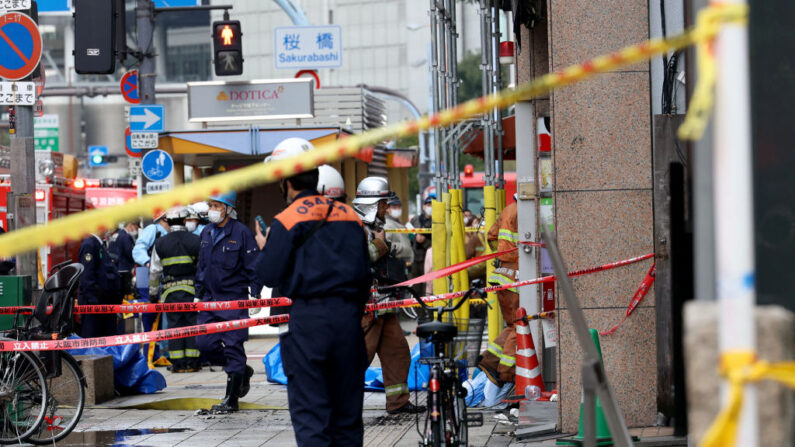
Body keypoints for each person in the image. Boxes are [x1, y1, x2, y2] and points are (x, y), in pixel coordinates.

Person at [255, 138, 371, 446]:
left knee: (312, 419)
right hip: (348, 323)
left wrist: (266, 247)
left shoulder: (287, 219)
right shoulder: (350, 216)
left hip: (308, 325)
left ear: (285, 180)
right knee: (347, 419)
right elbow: (364, 278)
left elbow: (269, 274)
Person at [353, 176, 424, 415]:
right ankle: (340, 403)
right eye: (383, 203)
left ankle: (398, 402)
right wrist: (381, 246)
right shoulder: (355, 227)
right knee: (359, 357)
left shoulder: (375, 227)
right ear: (372, 204)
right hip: (367, 305)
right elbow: (356, 262)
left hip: (384, 303)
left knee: (398, 353)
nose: (386, 208)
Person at [195, 191, 261, 412]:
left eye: (216, 205)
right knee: (204, 344)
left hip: (234, 301)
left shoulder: (241, 233)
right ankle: (241, 370)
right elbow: (202, 266)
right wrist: (198, 291)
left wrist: (255, 294)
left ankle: (231, 399)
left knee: (233, 346)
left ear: (227, 208)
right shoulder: (206, 232)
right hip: (210, 300)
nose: (211, 209)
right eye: (210, 205)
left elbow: (254, 266)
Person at [149, 207, 202, 373]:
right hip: (192, 291)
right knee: (192, 325)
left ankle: (178, 364)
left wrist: (152, 294)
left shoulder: (160, 243)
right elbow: (203, 268)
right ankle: (192, 363)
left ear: (168, 222)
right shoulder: (195, 240)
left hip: (170, 293)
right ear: (185, 221)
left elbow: (155, 271)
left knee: (174, 327)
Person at [478, 201, 519, 386]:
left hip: (501, 275)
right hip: (516, 276)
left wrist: (502, 255)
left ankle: (490, 362)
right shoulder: (525, 210)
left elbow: (491, 236)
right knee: (520, 325)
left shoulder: (509, 209)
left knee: (512, 325)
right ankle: (507, 374)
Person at [132, 212, 170, 364]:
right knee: (150, 318)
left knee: (160, 321)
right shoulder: (152, 230)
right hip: (147, 278)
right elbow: (138, 250)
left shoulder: (167, 232)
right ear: (164, 218)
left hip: (160, 279)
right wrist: (149, 262)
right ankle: (150, 356)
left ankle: (157, 354)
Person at [78, 232, 121, 338]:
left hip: (103, 304)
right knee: (93, 341)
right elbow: (87, 277)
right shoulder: (90, 245)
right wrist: (94, 303)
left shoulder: (99, 244)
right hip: (94, 306)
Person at [408, 194, 434, 297]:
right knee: (416, 287)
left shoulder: (437, 221)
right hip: (416, 258)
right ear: (423, 206)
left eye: (432, 205)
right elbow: (408, 235)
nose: (430, 207)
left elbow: (439, 241)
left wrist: (424, 241)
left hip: (430, 259)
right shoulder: (415, 219)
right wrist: (415, 238)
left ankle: (429, 312)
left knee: (428, 288)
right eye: (428, 204)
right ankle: (418, 311)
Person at [384, 194, 414, 265]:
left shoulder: (397, 223)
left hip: (403, 262)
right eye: (394, 207)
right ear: (387, 209)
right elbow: (386, 244)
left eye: (399, 207)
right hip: (395, 262)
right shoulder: (387, 224)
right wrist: (403, 248)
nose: (397, 209)